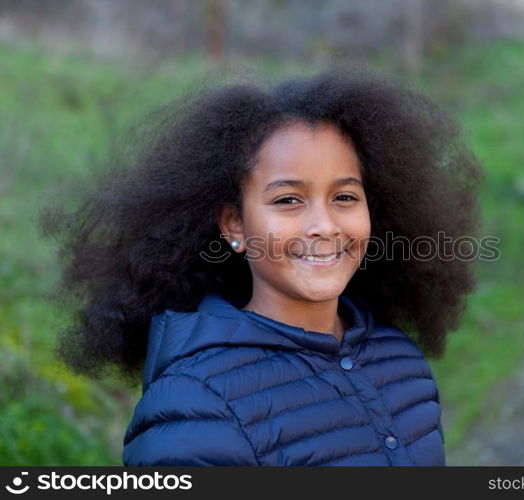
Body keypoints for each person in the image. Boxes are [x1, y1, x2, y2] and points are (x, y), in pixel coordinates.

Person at [49, 67, 482, 466]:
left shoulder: (400, 360)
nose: (324, 226)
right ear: (234, 224)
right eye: (288, 200)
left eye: (345, 197)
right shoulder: (195, 404)